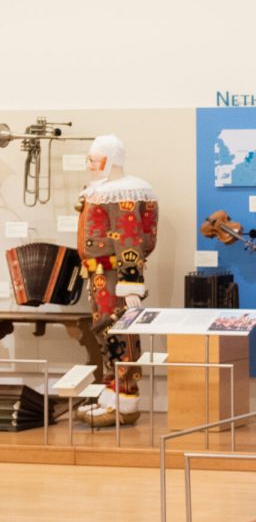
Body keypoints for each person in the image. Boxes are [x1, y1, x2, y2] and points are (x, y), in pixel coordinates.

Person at [75, 133, 158, 427]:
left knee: (121, 332)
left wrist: (131, 281)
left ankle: (126, 396)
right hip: (98, 273)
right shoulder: (103, 190)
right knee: (105, 332)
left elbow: (129, 239)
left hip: (114, 274)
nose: (89, 164)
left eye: (93, 159)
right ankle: (112, 393)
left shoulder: (124, 193)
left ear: (109, 160)